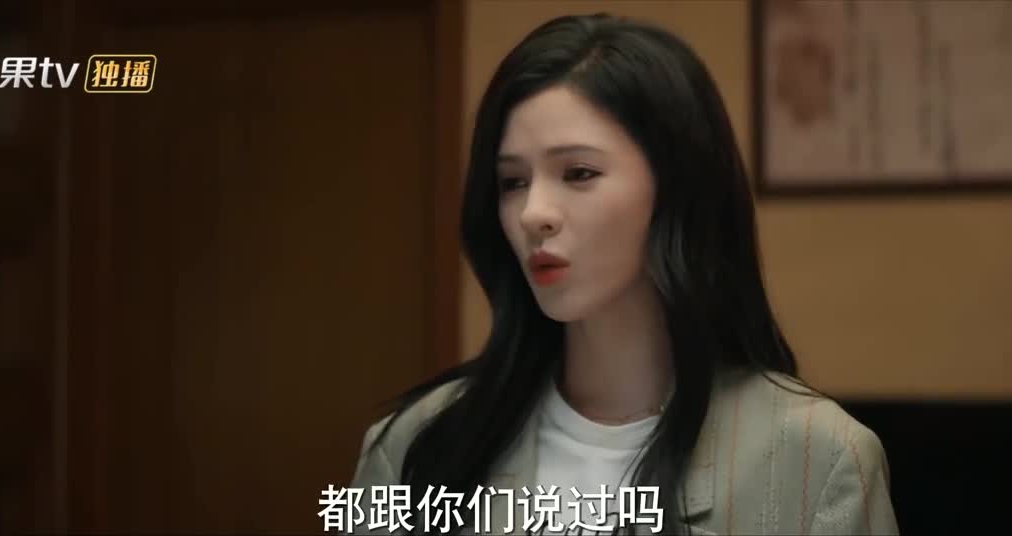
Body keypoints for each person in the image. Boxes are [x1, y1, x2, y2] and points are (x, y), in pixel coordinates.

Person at [349, 13, 897, 536]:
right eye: (513, 182)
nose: (533, 213)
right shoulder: (419, 445)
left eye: (578, 172)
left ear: (676, 188)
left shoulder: (815, 461)